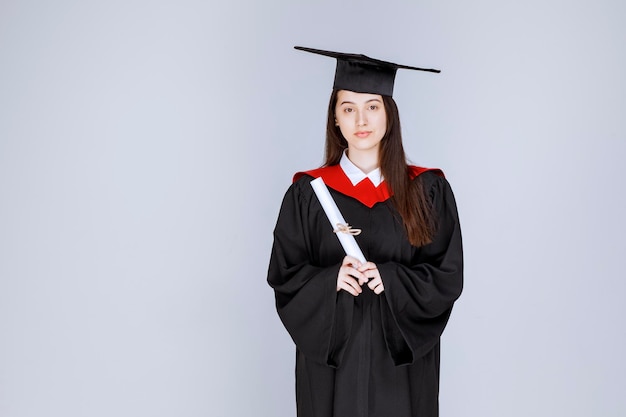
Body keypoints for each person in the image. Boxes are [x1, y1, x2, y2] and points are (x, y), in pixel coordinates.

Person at [267, 46, 463, 417]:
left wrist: (392, 278)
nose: (361, 119)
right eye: (348, 108)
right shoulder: (308, 195)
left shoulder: (428, 191)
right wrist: (330, 281)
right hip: (332, 371)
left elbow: (447, 277)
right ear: (335, 120)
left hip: (400, 370)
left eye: (372, 106)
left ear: (389, 114)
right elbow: (284, 277)